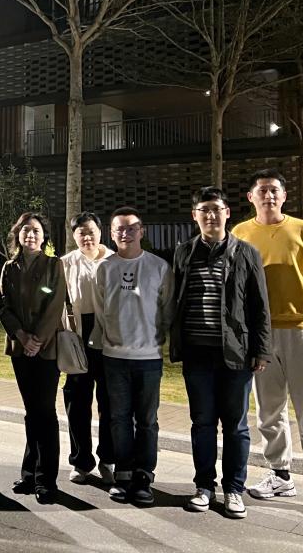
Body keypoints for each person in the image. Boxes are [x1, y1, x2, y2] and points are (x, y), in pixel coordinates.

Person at [232, 169, 303, 521]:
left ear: (284, 195)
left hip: (299, 329)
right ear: (251, 197)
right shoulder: (240, 233)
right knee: (268, 410)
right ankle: (280, 475)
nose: (269, 195)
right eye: (262, 190)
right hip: (260, 334)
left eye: (274, 190)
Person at [171, 187, 272, 519]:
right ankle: (204, 487)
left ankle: (234, 489)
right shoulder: (184, 252)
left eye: (216, 209)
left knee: (235, 425)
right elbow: (176, 299)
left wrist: (261, 349)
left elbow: (260, 305)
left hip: (235, 353)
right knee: (201, 423)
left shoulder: (246, 253)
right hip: (197, 353)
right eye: (204, 210)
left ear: (227, 213)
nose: (211, 215)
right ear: (195, 216)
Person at [93, 206, 174, 507]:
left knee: (147, 421)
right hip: (114, 356)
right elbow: (100, 309)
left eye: (131, 228)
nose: (125, 233)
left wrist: (157, 338)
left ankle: (144, 476)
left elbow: (168, 308)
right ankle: (123, 474)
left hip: (149, 358)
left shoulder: (158, 267)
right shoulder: (105, 268)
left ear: (142, 231)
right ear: (111, 234)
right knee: (119, 419)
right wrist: (111, 337)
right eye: (119, 229)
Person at [0, 212, 67, 505]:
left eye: (36, 230)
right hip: (20, 349)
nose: (31, 235)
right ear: (18, 235)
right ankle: (29, 474)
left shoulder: (53, 265)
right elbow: (3, 305)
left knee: (45, 412)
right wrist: (21, 336)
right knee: (31, 411)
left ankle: (46, 479)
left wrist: (36, 339)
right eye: (26, 230)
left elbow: (55, 304)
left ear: (43, 236)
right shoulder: (9, 267)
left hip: (46, 348)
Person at [60, 211, 115, 486]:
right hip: (78, 337)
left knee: (110, 403)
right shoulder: (65, 263)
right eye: (81, 233)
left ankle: (108, 459)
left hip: (110, 338)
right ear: (74, 236)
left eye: (91, 231)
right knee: (77, 403)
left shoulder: (114, 260)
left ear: (100, 232)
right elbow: (54, 297)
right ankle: (81, 461)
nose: (86, 237)